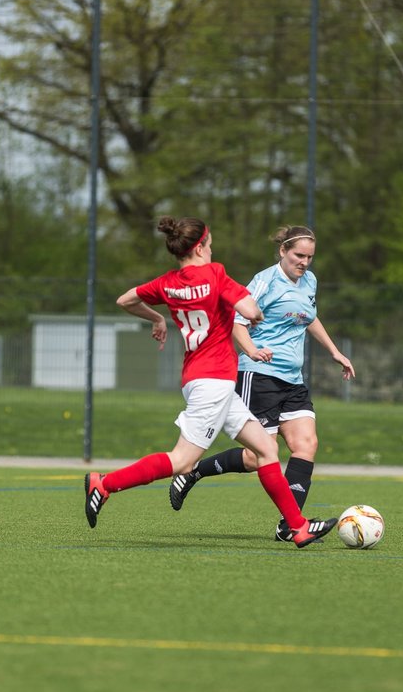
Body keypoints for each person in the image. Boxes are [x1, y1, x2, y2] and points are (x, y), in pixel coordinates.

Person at [84, 216, 338, 549]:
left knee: (265, 449)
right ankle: (103, 484)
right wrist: (250, 312)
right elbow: (252, 310)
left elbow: (126, 299)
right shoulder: (215, 273)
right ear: (201, 245)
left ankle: (298, 527)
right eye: (211, 242)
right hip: (214, 381)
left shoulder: (168, 283)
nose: (212, 247)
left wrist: (158, 317)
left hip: (198, 375)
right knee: (181, 461)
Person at [166, 225, 355, 542]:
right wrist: (251, 351)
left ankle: (290, 526)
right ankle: (193, 472)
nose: (304, 262)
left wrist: (334, 351)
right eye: (298, 255)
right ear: (283, 251)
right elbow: (238, 323)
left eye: (309, 257)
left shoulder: (309, 281)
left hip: (293, 381)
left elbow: (309, 316)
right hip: (259, 375)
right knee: (256, 457)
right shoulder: (265, 282)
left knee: (306, 444)